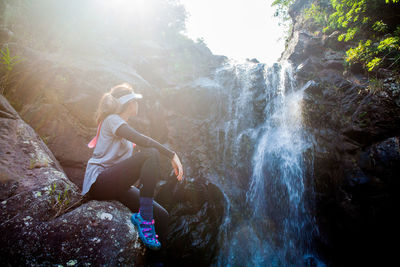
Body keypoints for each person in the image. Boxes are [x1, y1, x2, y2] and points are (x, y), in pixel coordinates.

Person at [81, 83, 183, 251]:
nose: (137, 104)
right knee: (150, 153)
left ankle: (155, 262)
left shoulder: (120, 125)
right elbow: (143, 140)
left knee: (163, 216)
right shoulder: (112, 120)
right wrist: (171, 154)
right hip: (99, 182)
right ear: (129, 104)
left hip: (115, 185)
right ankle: (145, 218)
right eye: (135, 101)